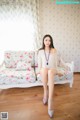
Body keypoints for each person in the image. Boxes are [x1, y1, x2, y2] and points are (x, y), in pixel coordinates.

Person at [36, 34, 69, 118]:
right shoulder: (40, 51)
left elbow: (57, 62)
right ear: (43, 41)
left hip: (52, 69)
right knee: (44, 70)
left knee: (50, 71)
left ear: (51, 42)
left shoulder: (54, 50)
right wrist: (38, 71)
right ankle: (45, 93)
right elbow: (39, 65)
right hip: (44, 69)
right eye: (46, 40)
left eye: (49, 40)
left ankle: (50, 101)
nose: (48, 42)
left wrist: (65, 68)